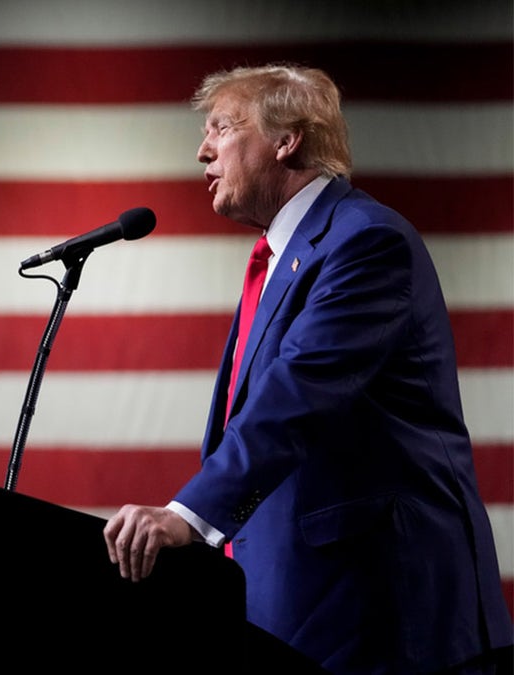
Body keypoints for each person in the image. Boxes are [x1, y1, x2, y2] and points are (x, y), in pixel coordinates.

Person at [102, 63, 513, 674]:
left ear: (286, 139)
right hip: (301, 611)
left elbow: (295, 395)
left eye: (221, 127)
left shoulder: (366, 242)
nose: (202, 149)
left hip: (389, 614)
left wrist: (185, 515)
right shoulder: (279, 259)